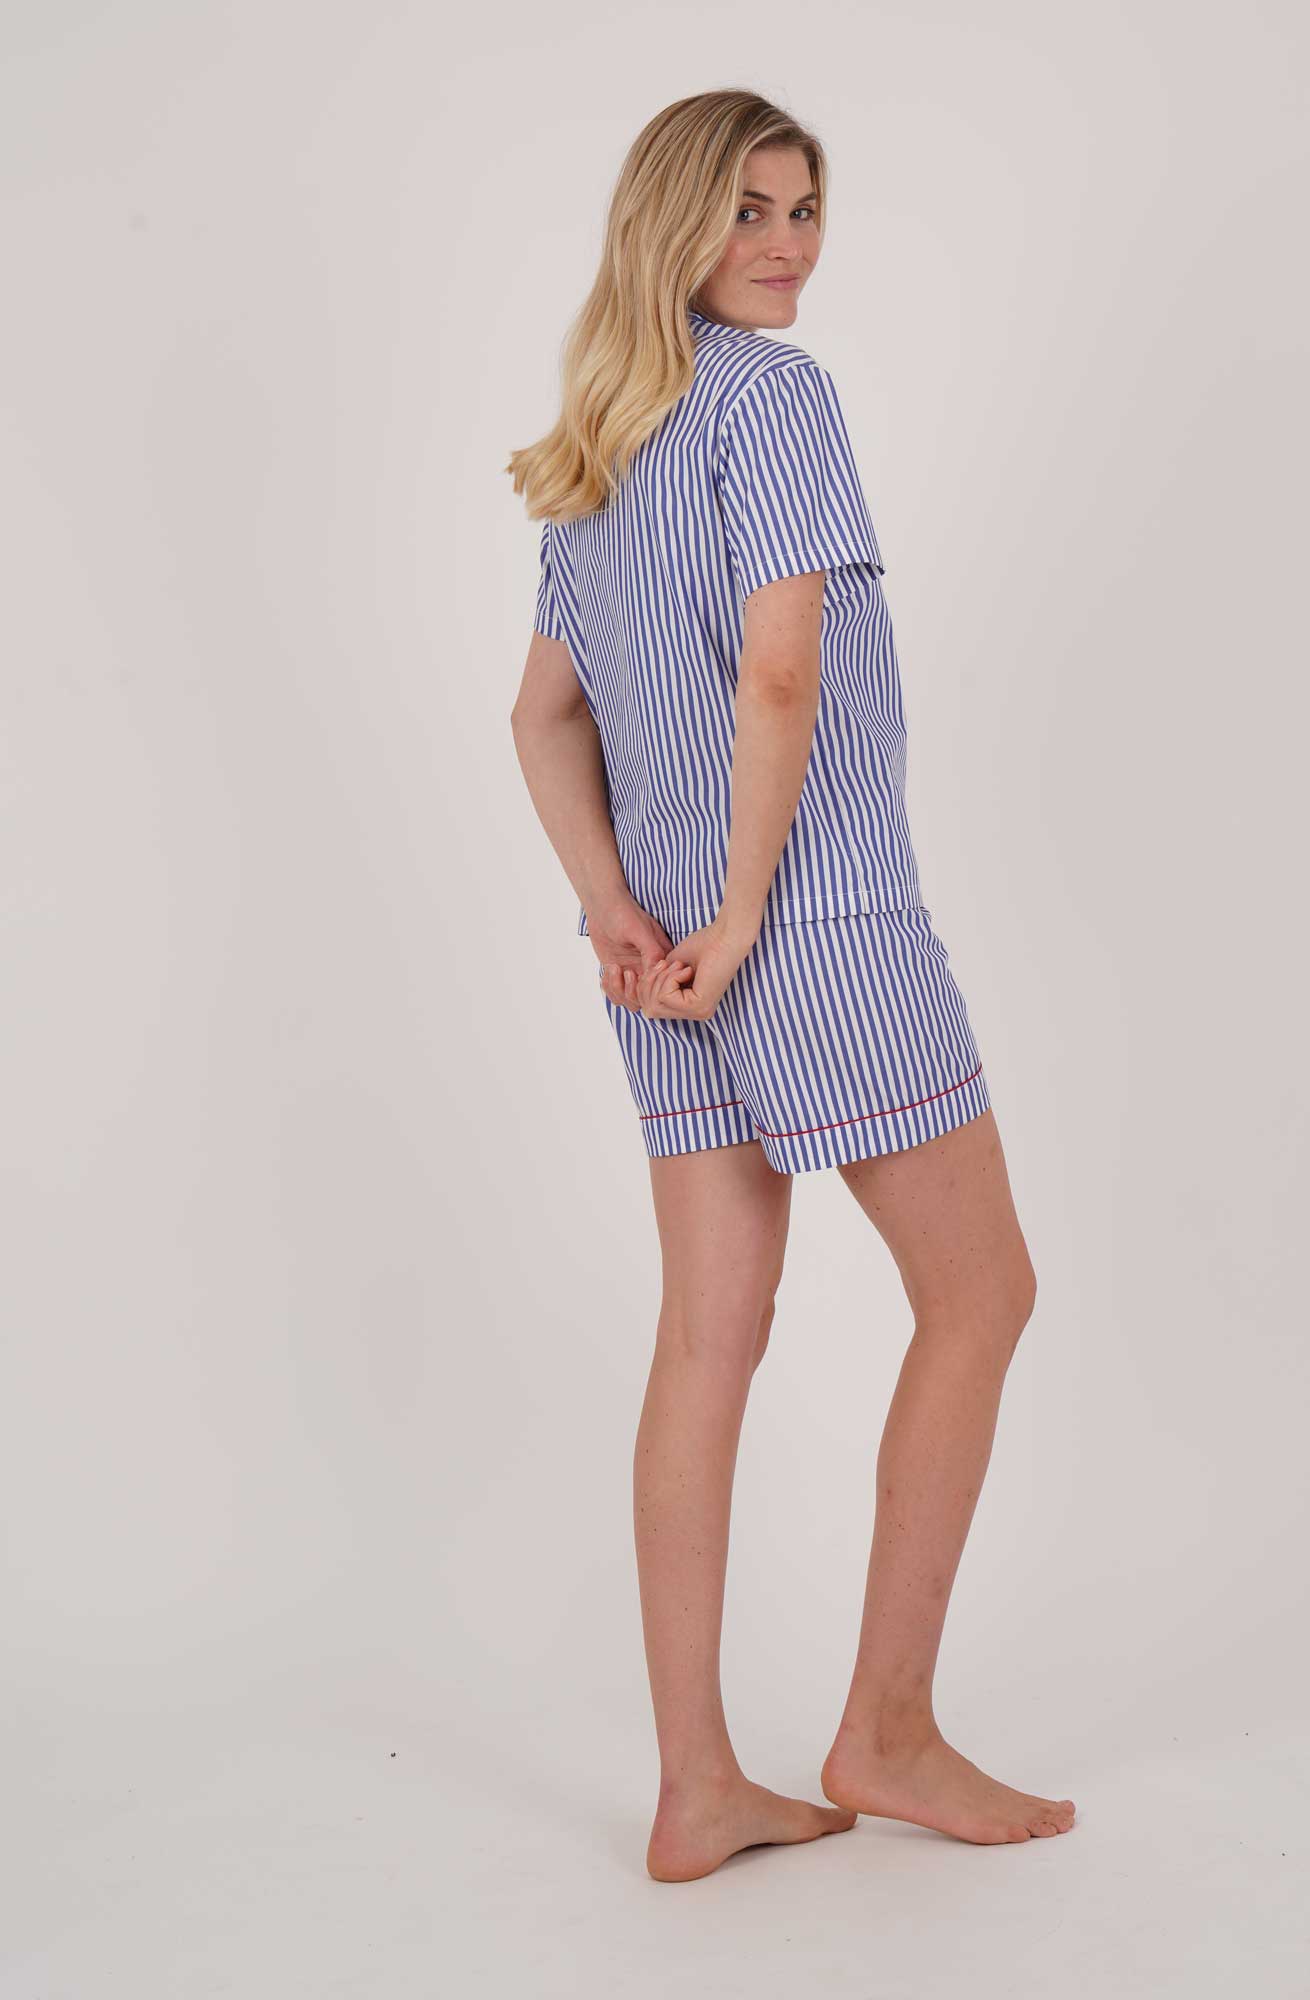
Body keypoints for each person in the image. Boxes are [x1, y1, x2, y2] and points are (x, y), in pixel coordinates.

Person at [507, 89, 1076, 1883]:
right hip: (805, 922)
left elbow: (541, 716)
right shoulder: (773, 401)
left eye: (805, 208)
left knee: (707, 1336)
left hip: (659, 952)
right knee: (984, 1293)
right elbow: (779, 677)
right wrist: (748, 910)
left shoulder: (600, 440)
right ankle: (884, 1731)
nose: (786, 243)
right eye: (748, 208)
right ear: (668, 219)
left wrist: (618, 910)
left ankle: (697, 1786)